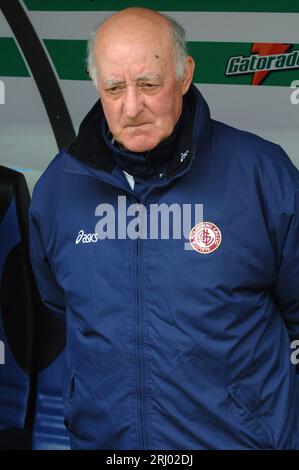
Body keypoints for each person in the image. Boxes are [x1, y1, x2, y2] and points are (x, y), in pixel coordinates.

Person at [29, 7, 299, 450]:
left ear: (185, 75)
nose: (131, 107)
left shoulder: (261, 173)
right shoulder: (60, 187)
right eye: (114, 87)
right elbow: (58, 304)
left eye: (149, 84)